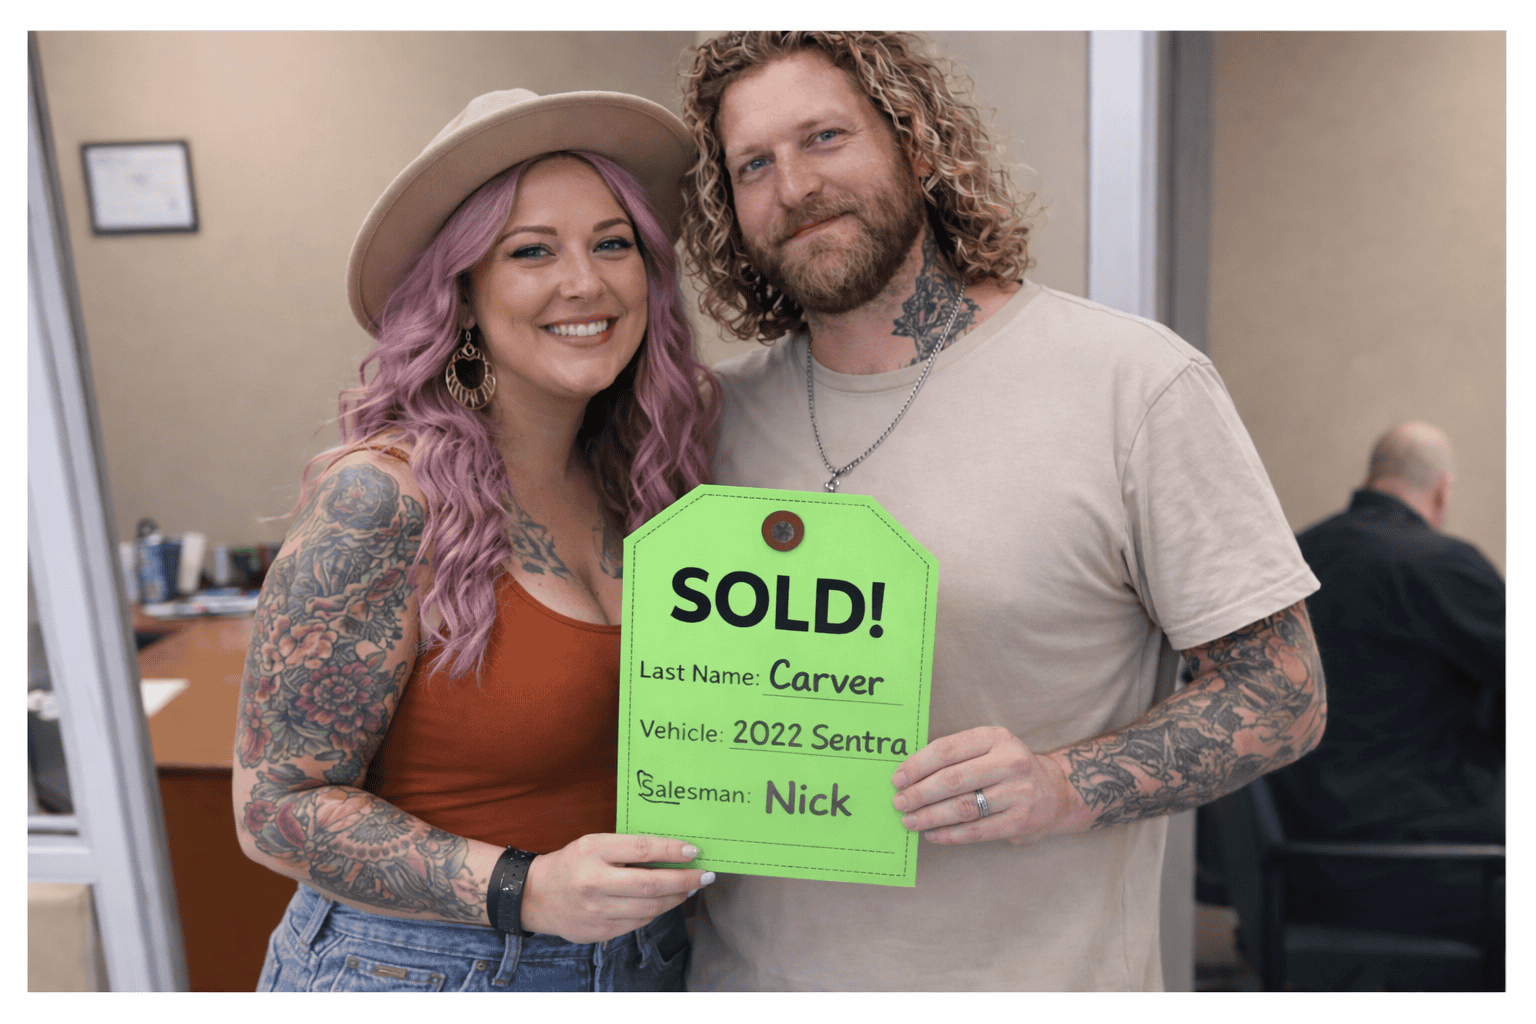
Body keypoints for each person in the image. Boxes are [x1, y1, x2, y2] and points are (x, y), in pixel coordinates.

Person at [676, 31, 1327, 991]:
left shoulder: (1132, 386)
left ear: (920, 144)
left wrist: (1062, 787)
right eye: (754, 165)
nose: (795, 185)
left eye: (824, 137)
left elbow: (1284, 695)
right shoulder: (704, 424)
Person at [232, 88, 721, 992]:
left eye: (612, 244)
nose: (586, 282)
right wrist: (523, 888)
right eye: (531, 251)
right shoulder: (381, 500)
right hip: (423, 969)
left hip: (645, 960)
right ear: (460, 294)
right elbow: (275, 808)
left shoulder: (645, 485)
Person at [1264, 422, 1504, 956]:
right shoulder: (1442, 564)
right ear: (1442, 489)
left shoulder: (1294, 561)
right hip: (1413, 865)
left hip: (1290, 867)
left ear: (1373, 476)